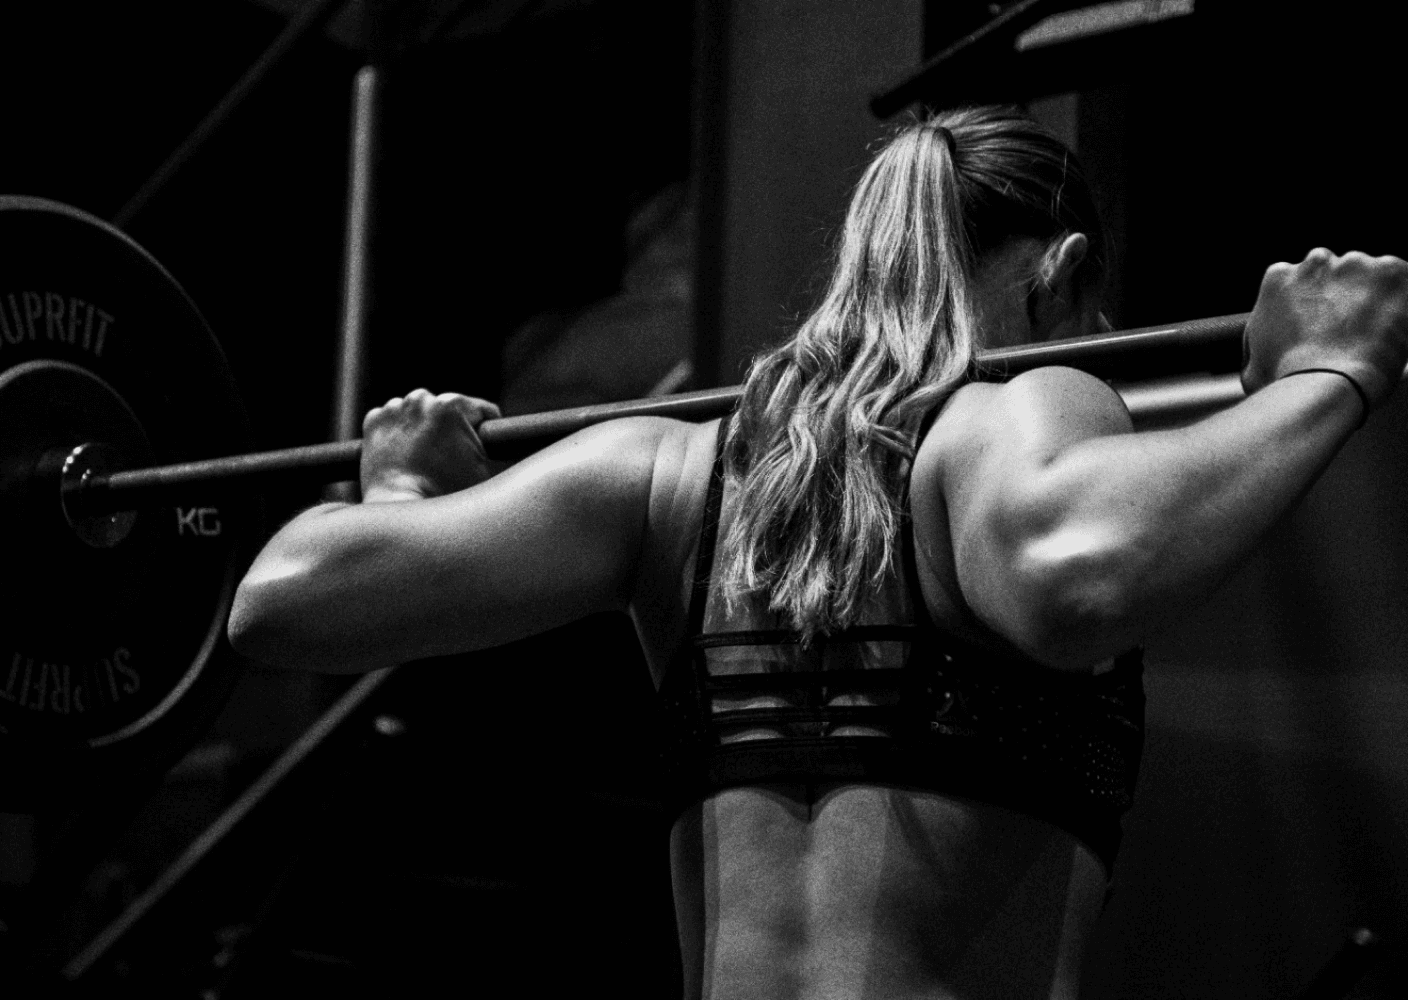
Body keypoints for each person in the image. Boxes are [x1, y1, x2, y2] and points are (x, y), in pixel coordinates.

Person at [228, 106, 1408, 999]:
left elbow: (284, 598)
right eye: (1090, 315)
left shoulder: (662, 475)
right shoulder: (1023, 405)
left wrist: (399, 491)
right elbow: (1076, 578)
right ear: (1055, 278)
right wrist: (1325, 374)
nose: (1095, 343)